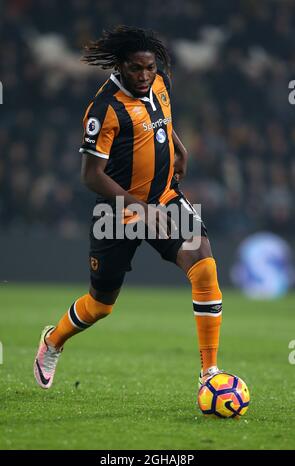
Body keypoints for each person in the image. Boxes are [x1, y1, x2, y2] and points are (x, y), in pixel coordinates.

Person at [34, 26, 223, 393]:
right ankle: (53, 340)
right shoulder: (104, 108)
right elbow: (91, 176)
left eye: (149, 68)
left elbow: (162, 119)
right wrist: (138, 208)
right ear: (120, 66)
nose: (144, 76)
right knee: (101, 305)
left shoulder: (159, 82)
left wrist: (178, 147)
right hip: (119, 214)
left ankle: (209, 374)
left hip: (166, 198)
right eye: (136, 69)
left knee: (203, 265)